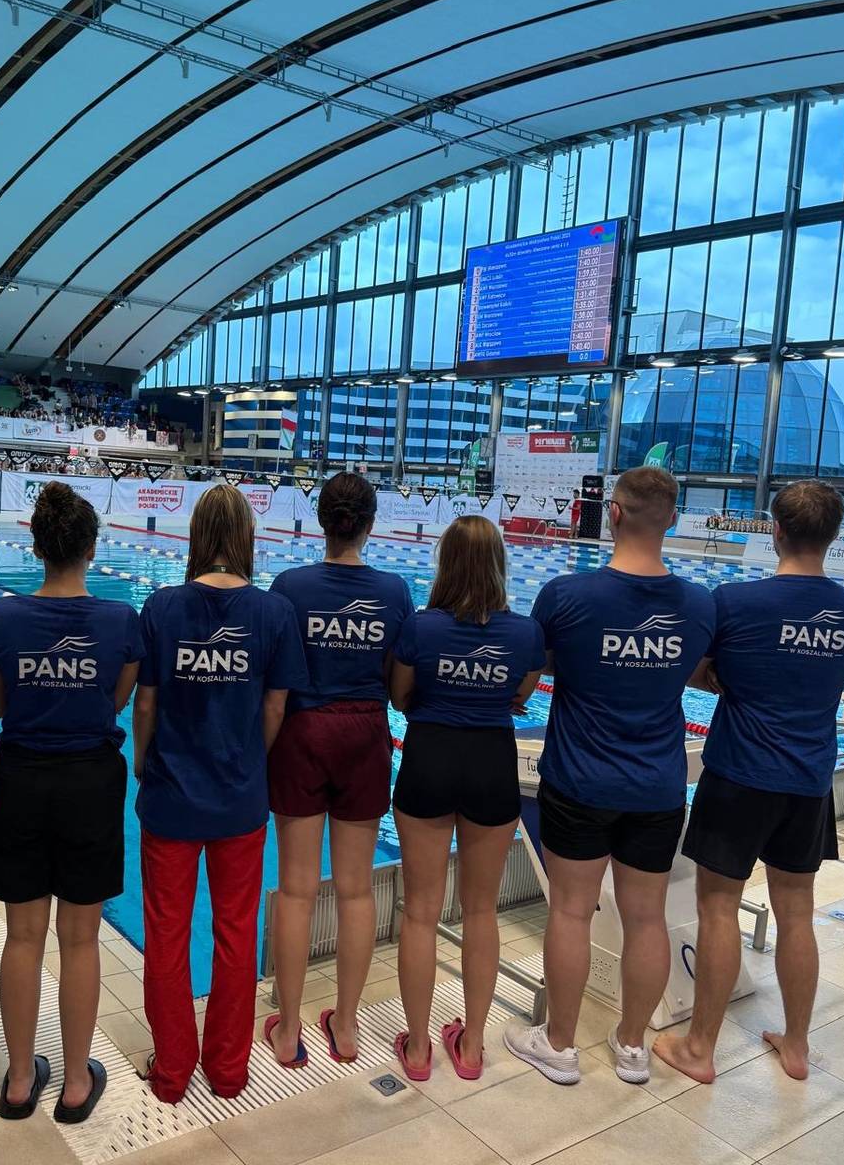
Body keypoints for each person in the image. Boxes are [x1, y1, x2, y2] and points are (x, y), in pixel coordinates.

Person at [504, 466, 715, 1085]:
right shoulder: (699, 604)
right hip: (657, 786)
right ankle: (632, 1048)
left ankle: (559, 1045)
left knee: (571, 913)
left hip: (580, 781)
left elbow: (532, 674)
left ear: (613, 514)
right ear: (672, 519)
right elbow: (704, 673)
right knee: (646, 918)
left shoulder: (565, 596)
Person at [654, 481, 844, 1084]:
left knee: (718, 907)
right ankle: (796, 1046)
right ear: (835, 536)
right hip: (809, 777)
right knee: (797, 912)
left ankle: (700, 1049)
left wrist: (725, 676)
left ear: (774, 530)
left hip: (739, 774)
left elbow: (696, 670)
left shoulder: (733, 602)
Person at [133, 485, 307, 1104]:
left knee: (167, 934)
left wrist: (143, 762)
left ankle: (173, 1071)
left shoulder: (161, 608)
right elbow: (275, 706)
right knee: (236, 935)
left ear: (197, 535)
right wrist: (250, 759)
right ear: (247, 539)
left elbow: (146, 703)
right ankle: (229, 1071)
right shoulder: (273, 613)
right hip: (239, 799)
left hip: (171, 798)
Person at [0, 482, 142, 1122]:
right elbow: (116, 701)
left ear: (37, 548)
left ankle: (20, 1082)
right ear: (92, 549)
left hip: (21, 779)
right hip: (90, 784)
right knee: (80, 939)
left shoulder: (3, 618)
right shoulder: (121, 622)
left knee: (23, 936)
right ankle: (75, 1083)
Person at [265, 472, 413, 1067]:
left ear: (321, 521)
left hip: (301, 734)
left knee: (296, 889)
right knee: (355, 889)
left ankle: (288, 1030)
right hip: (365, 735)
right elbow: (397, 685)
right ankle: (346, 1026)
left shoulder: (289, 587)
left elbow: (274, 679)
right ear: (369, 525)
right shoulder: (394, 592)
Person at [390, 516, 545, 1081]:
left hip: (429, 757)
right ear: (500, 565)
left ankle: (417, 1050)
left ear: (445, 563)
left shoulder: (420, 627)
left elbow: (400, 695)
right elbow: (519, 695)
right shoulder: (526, 634)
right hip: (490, 764)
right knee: (482, 910)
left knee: (420, 911)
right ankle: (473, 1046)